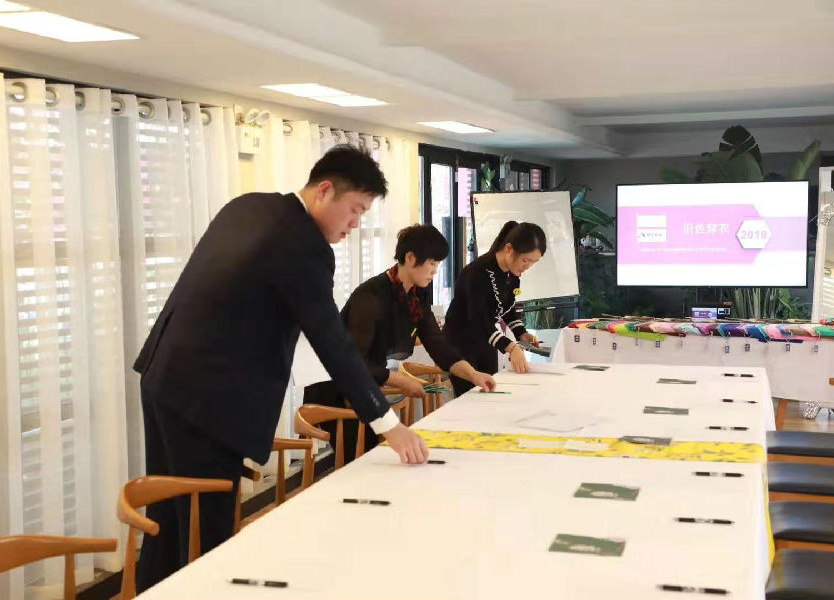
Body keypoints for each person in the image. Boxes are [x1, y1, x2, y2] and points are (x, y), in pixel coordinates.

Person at [132, 145, 428, 592]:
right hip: (207, 399)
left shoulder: (250, 206)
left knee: (169, 520)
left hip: (165, 375)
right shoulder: (302, 246)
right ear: (324, 190)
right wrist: (388, 424)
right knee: (208, 530)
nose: (355, 224)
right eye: (355, 210)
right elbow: (332, 342)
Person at [304, 224, 497, 463]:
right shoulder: (370, 297)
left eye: (438, 264)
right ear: (411, 258)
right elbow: (355, 362)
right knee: (362, 461)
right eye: (432, 263)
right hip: (338, 386)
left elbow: (437, 343)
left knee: (376, 457)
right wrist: (400, 380)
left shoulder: (416, 293)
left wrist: (473, 374)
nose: (435, 271)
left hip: (367, 382)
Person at [443, 221, 546, 396]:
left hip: (485, 340)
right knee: (470, 399)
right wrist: (511, 348)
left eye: (533, 262)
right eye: (525, 260)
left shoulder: (512, 274)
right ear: (509, 249)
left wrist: (522, 333)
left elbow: (507, 308)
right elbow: (478, 320)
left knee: (490, 393)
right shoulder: (476, 273)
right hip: (460, 343)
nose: (527, 267)